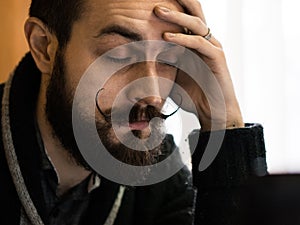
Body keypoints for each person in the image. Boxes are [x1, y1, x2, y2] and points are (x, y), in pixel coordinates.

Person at [0, 0, 267, 224]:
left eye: (167, 59)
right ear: (44, 47)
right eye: (119, 55)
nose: (152, 92)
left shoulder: (158, 173)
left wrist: (221, 122)